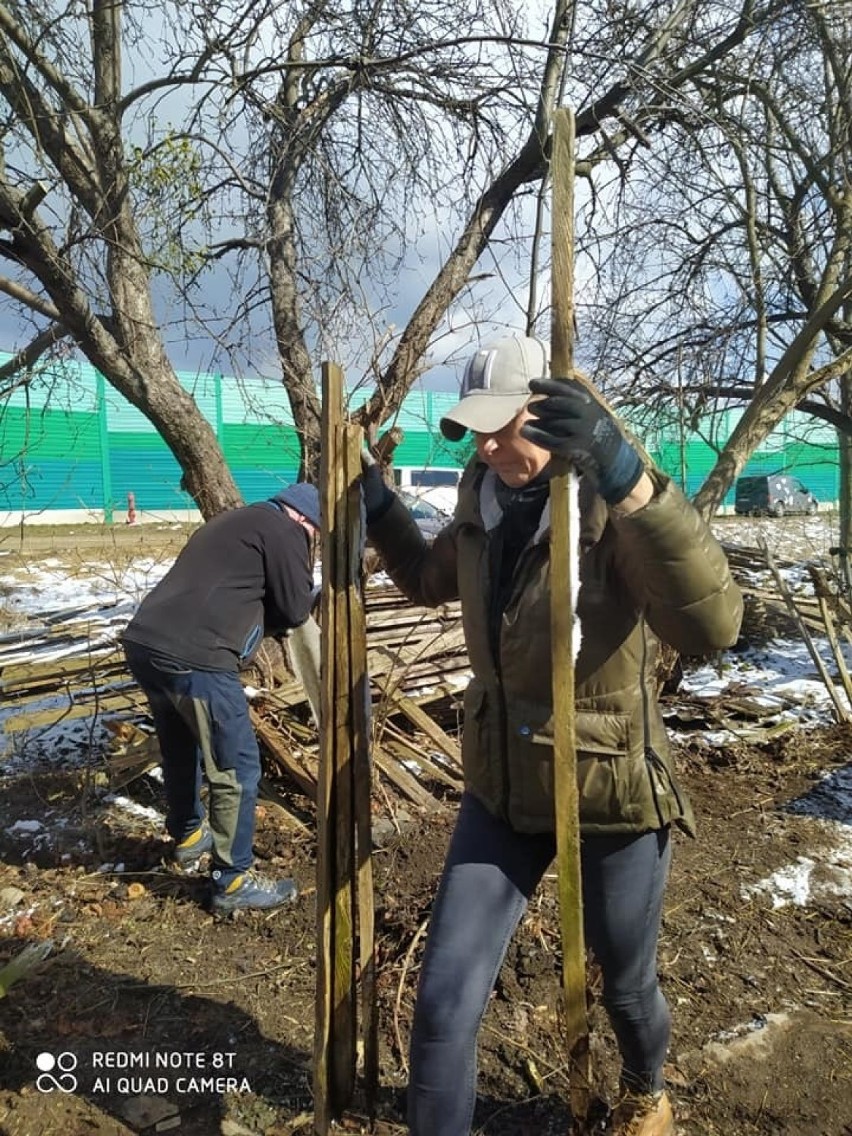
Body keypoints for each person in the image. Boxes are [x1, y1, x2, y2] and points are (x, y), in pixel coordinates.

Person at [361, 335, 743, 1136]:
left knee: (626, 986)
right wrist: (379, 505)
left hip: (606, 790)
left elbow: (713, 625)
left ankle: (647, 1091)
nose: (492, 446)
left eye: (508, 426)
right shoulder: (480, 499)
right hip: (501, 791)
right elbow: (431, 580)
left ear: (551, 409)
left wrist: (631, 482)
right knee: (442, 1005)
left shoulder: (606, 509)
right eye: (479, 429)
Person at [121, 482, 321, 915]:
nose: (312, 543)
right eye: (315, 535)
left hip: (145, 645)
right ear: (305, 520)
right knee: (236, 764)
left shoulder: (235, 521)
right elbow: (293, 608)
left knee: (181, 746)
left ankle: (190, 836)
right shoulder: (285, 531)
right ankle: (232, 882)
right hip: (198, 657)